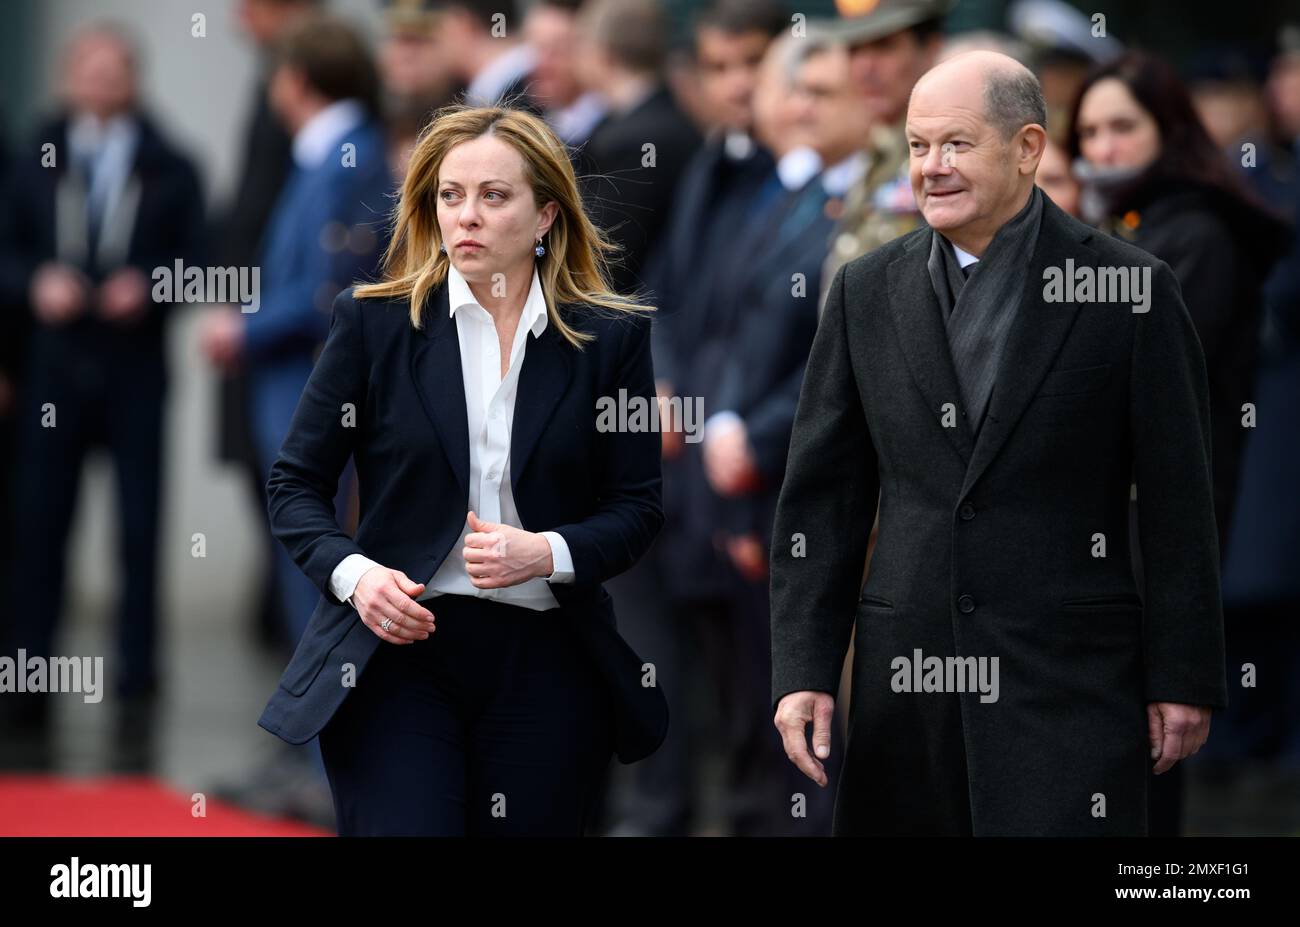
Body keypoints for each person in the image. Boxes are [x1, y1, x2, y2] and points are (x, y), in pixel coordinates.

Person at [769, 51, 1227, 836]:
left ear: (1027, 148)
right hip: (907, 683)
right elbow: (826, 497)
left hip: (1068, 679)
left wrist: (1184, 674)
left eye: (956, 144)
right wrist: (805, 669)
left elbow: (1180, 497)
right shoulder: (865, 290)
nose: (931, 168)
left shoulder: (1130, 290)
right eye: (917, 147)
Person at [256, 103, 667, 836]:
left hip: (546, 658)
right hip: (397, 650)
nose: (467, 216)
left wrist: (548, 551)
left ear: (546, 216)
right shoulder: (373, 322)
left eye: (493, 196)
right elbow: (295, 486)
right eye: (451, 196)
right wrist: (358, 576)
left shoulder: (611, 336)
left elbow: (637, 507)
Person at [0, 23, 204, 769]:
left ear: (133, 79)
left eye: (112, 71)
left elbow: (198, 259)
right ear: (65, 78)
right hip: (52, 373)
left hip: (134, 375)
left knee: (140, 530)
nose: (99, 83)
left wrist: (147, 284)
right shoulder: (32, 155)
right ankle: (26, 686)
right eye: (87, 70)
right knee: (39, 532)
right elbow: (7, 250)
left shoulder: (172, 163)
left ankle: (137, 684)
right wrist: (32, 284)